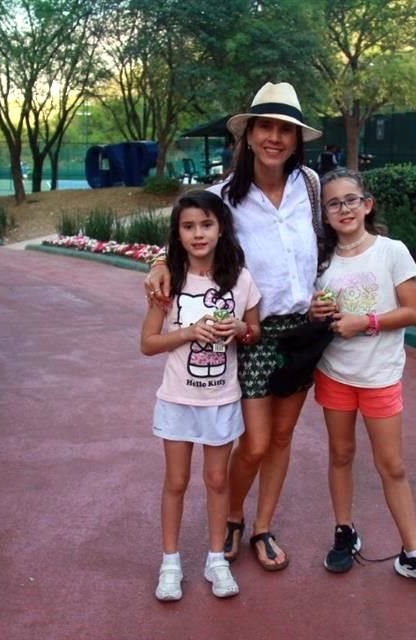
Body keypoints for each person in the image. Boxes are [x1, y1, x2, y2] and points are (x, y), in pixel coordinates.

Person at [145, 81, 323, 572]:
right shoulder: (225, 196)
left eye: (286, 129)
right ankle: (233, 517)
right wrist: (160, 263)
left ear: (296, 138)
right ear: (248, 135)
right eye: (266, 126)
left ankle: (262, 526)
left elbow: (341, 234)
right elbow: (190, 235)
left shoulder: (310, 186)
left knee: (283, 437)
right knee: (257, 441)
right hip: (250, 332)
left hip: (304, 329)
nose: (275, 138)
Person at [307, 168, 416, 595]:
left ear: (367, 204)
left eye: (350, 200)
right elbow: (316, 315)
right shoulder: (322, 263)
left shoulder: (392, 251)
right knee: (340, 454)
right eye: (334, 203)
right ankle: (344, 531)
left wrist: (365, 321)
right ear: (325, 214)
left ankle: (412, 553)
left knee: (391, 465)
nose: (343, 209)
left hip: (380, 376)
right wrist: (316, 314)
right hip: (335, 373)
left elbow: (413, 311)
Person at [140, 190, 262, 601]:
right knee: (175, 481)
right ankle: (170, 563)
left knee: (215, 479)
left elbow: (253, 330)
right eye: (188, 226)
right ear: (177, 233)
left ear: (221, 227)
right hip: (177, 398)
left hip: (222, 399)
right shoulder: (168, 281)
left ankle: (216, 560)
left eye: (206, 224)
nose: (198, 234)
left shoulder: (240, 279)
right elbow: (148, 342)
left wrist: (238, 331)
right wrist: (191, 332)